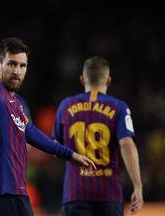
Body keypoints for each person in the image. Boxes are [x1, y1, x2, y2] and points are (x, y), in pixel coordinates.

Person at [0, 10, 96, 216]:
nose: (17, 71)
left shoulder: (16, 103)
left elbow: (33, 134)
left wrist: (70, 155)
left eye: (22, 65)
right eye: (11, 64)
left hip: (15, 195)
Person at [52, 56, 143, 216]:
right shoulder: (119, 107)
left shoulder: (66, 105)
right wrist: (138, 186)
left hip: (75, 192)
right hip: (109, 193)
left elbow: (55, 147)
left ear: (82, 79)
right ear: (108, 80)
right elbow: (127, 144)